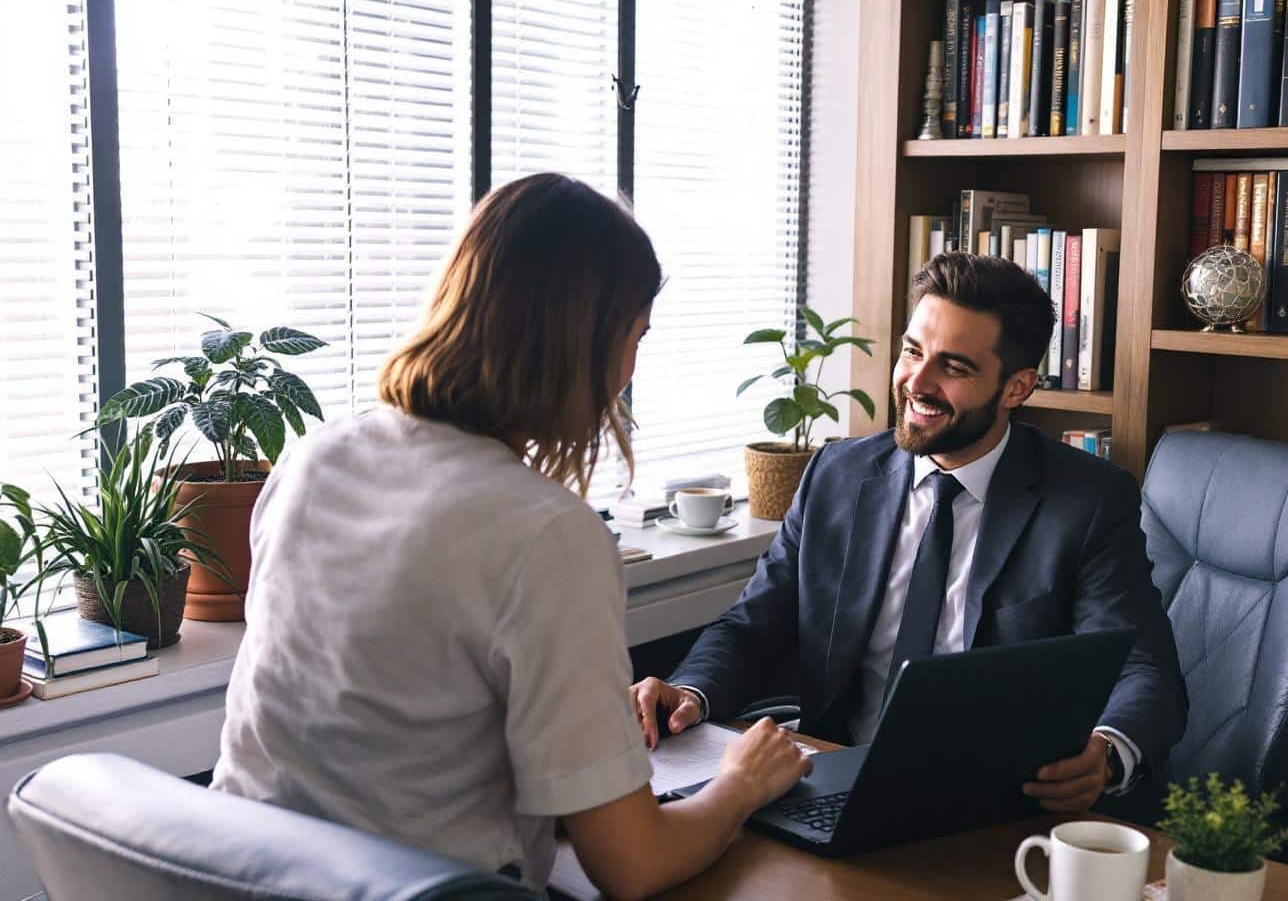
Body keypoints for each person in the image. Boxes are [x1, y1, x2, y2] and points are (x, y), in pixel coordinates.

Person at [211, 173, 810, 899]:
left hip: (249, 879)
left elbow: (381, 724)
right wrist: (742, 784)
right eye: (636, 335)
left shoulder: (316, 457)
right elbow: (634, 866)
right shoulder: (546, 535)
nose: (629, 370)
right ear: (581, 342)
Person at [632, 251, 1188, 823]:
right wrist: (690, 693)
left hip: (995, 807)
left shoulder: (1088, 501)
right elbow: (756, 623)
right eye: (912, 351)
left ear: (1017, 387)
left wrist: (1106, 750)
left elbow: (1143, 669)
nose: (916, 383)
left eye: (954, 367)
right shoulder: (835, 476)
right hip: (831, 777)